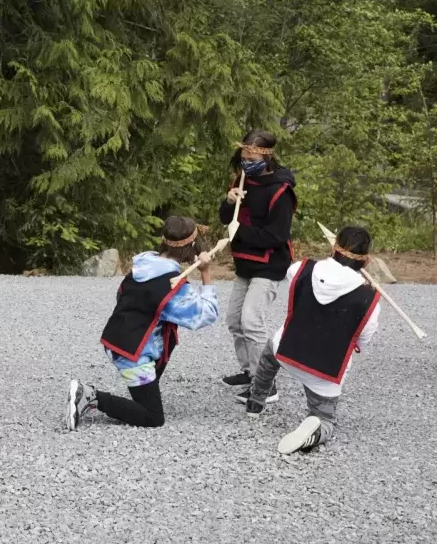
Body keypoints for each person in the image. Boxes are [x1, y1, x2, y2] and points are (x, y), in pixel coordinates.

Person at [65, 216, 219, 430]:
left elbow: (122, 296)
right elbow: (207, 313)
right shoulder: (173, 286)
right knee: (153, 417)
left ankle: (143, 389)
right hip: (132, 354)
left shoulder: (143, 265)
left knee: (162, 350)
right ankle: (90, 396)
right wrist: (205, 272)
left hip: (116, 338)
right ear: (191, 247)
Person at [243, 226, 381, 454]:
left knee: (269, 354)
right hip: (325, 371)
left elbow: (296, 276)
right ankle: (317, 428)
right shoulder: (370, 298)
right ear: (366, 261)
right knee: (326, 418)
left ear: (334, 247)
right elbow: (363, 339)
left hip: (286, 351)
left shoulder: (302, 268)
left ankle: (256, 401)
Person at [219, 129, 297, 402]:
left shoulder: (281, 191)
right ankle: (249, 371)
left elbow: (276, 236)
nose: (246, 159)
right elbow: (225, 218)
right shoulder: (243, 179)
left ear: (266, 155)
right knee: (234, 322)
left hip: (270, 263)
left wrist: (236, 231)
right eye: (244, 154)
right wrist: (229, 203)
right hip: (245, 262)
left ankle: (266, 384)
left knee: (252, 322)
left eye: (251, 155)